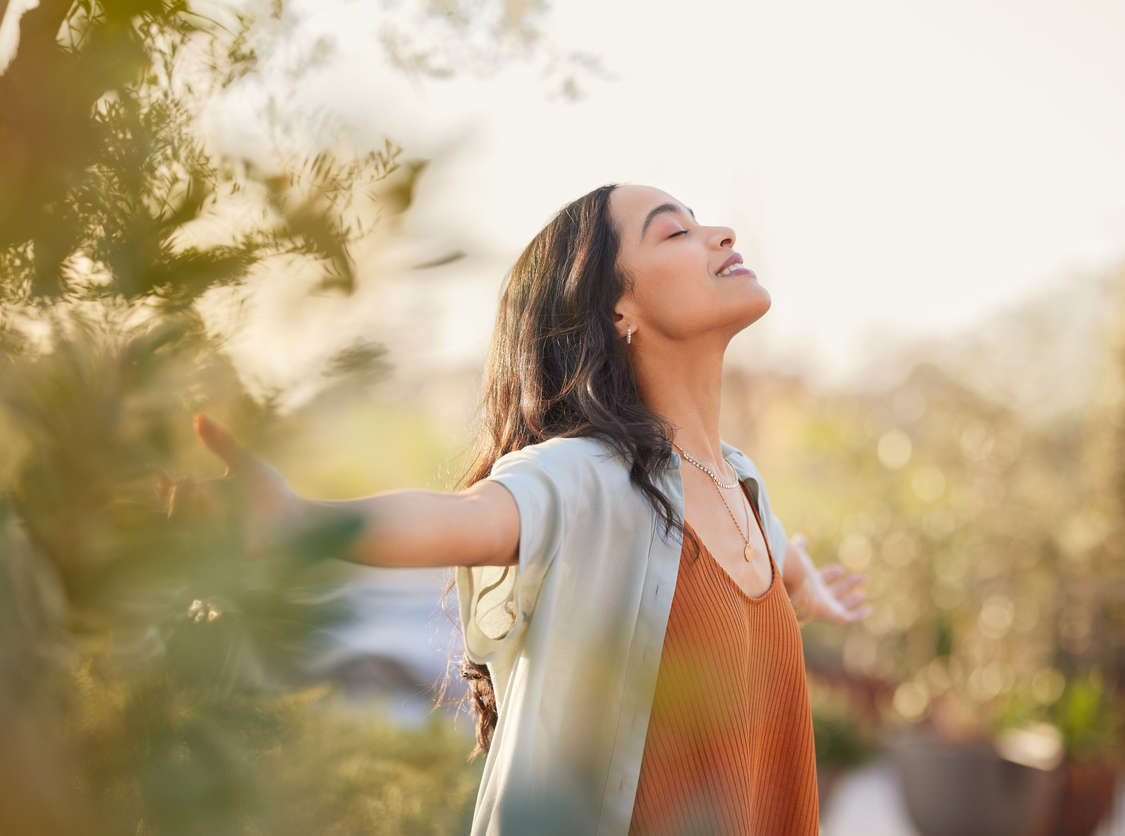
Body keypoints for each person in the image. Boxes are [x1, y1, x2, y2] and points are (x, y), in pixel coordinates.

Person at [190, 183, 870, 835]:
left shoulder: (742, 484)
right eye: (675, 231)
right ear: (617, 312)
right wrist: (299, 522)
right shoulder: (586, 477)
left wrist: (800, 582)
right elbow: (462, 520)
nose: (720, 234)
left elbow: (763, 559)